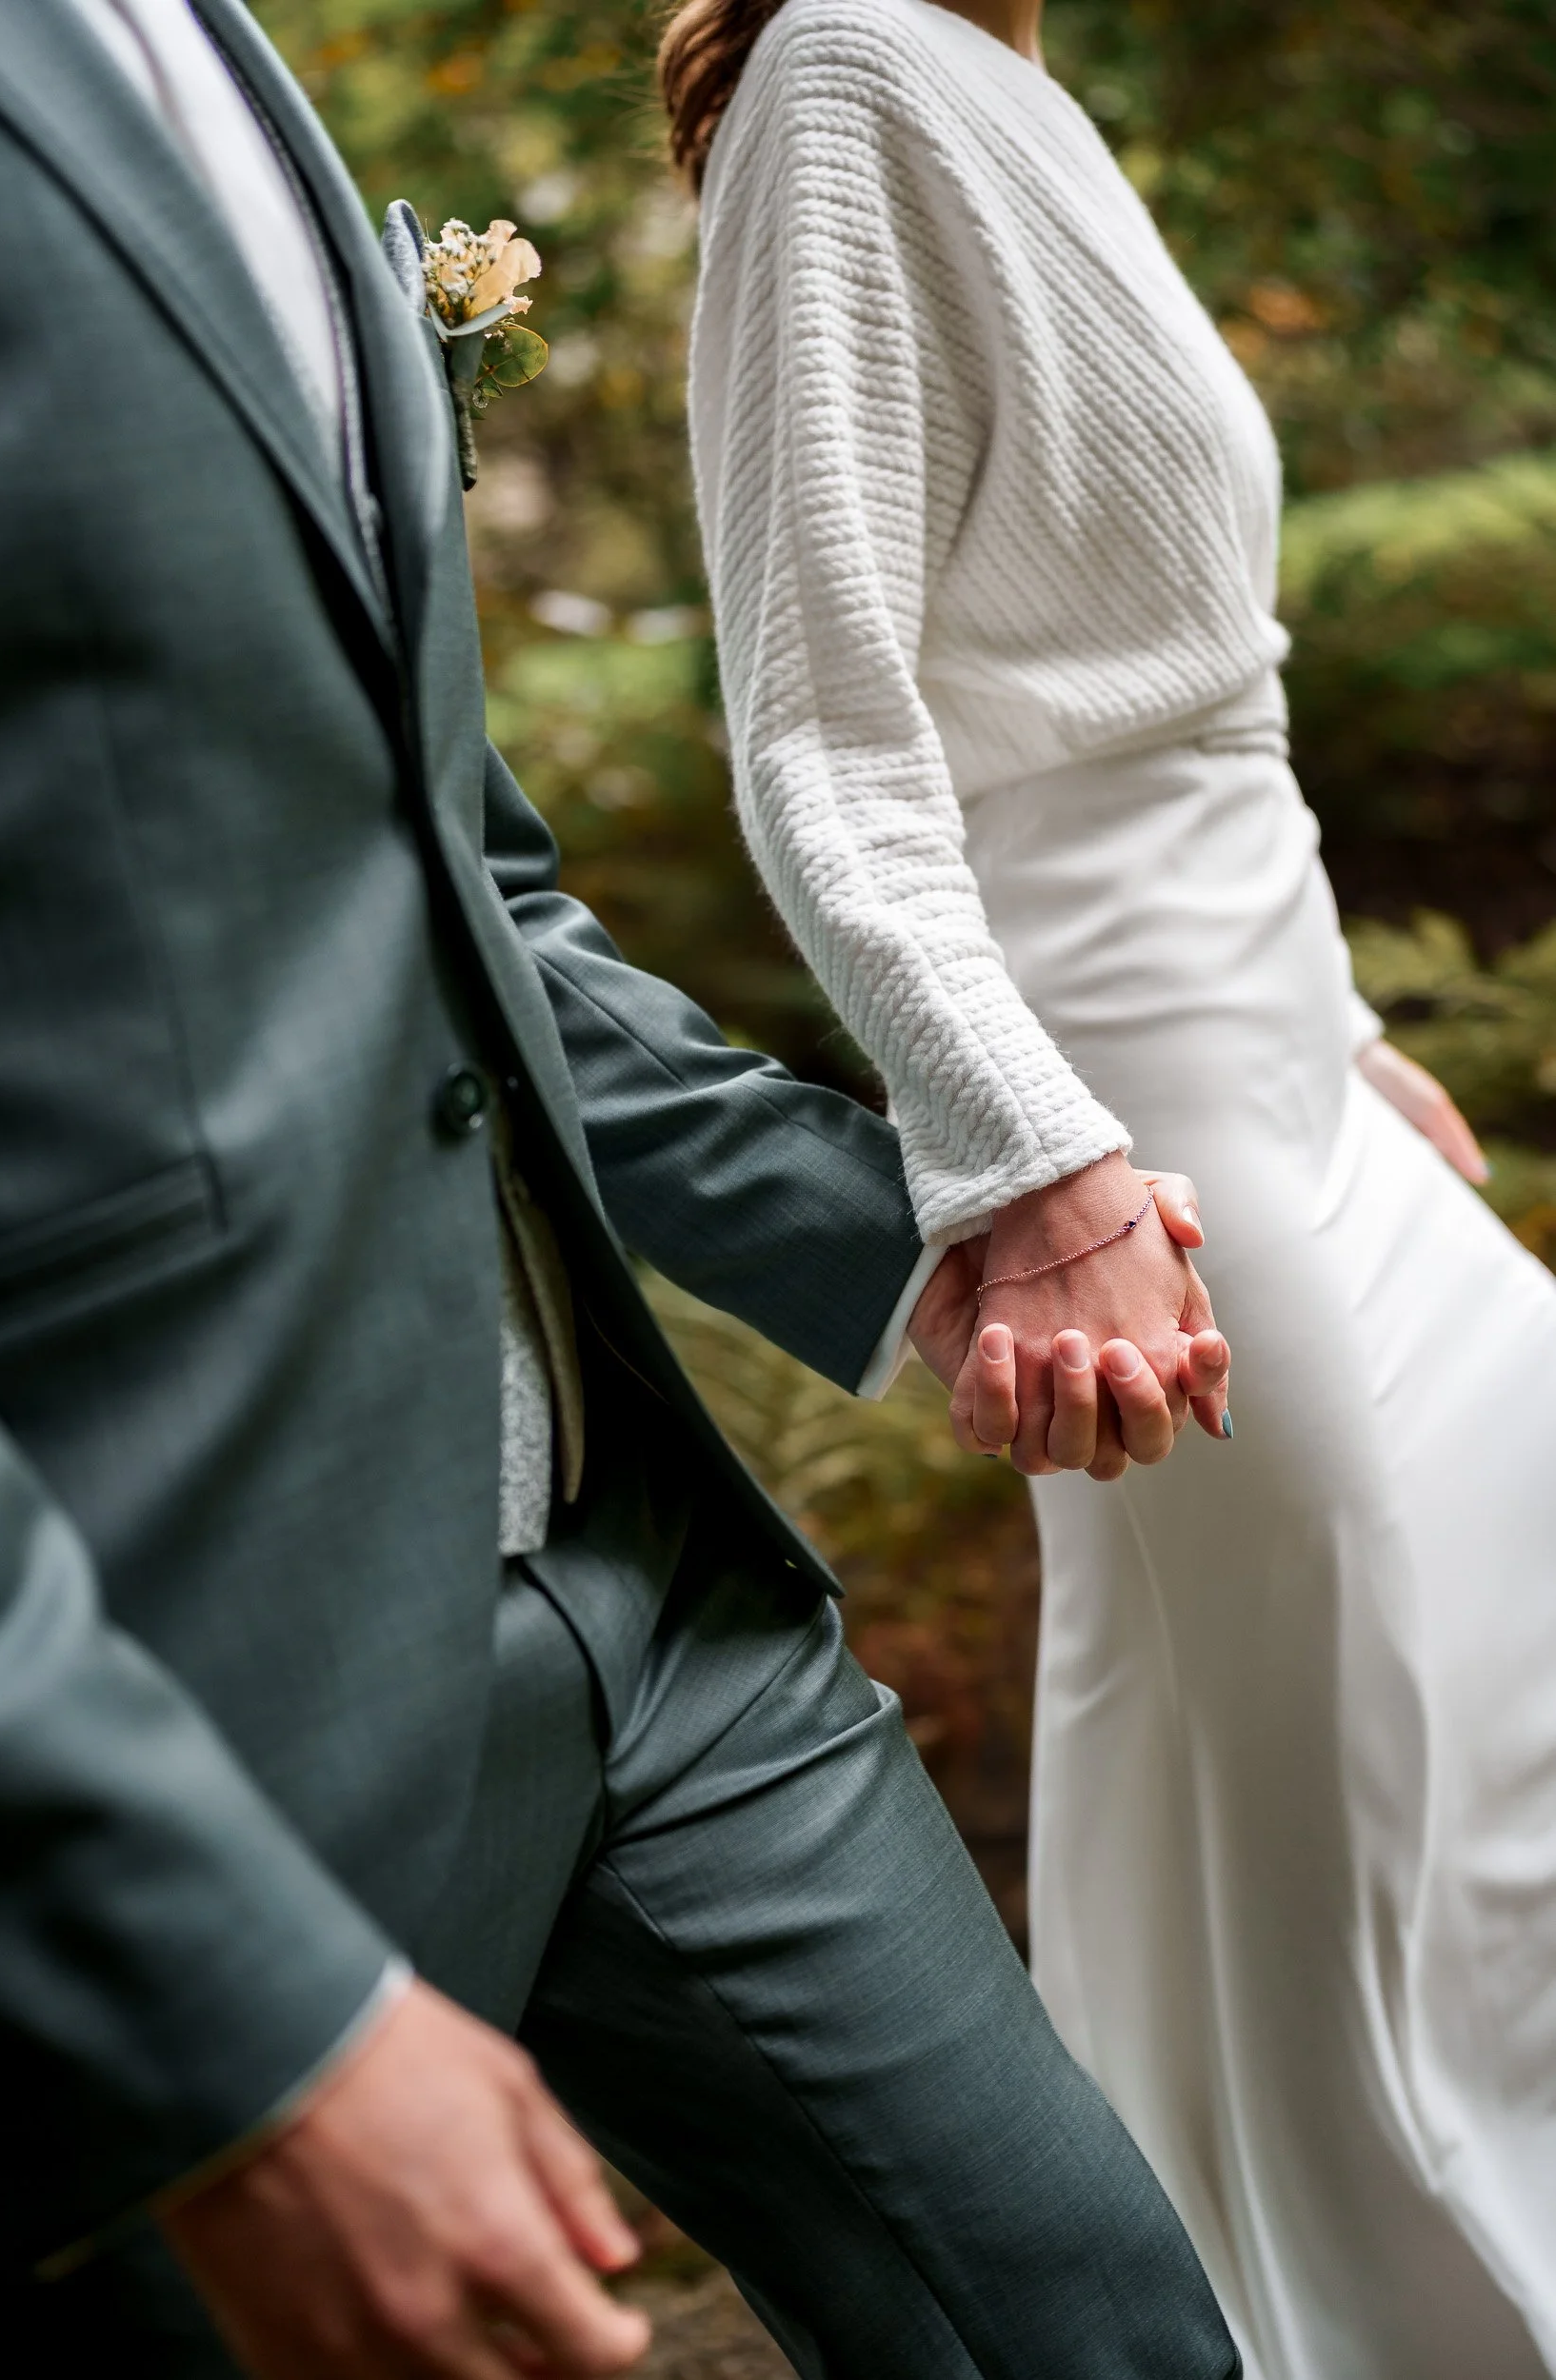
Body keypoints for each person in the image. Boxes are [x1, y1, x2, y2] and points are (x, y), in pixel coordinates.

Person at [0, 2, 1247, 2375]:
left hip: (657, 1606)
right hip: (190, 1696)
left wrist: (896, 1221)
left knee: (1098, 2322)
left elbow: (455, 897)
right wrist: (194, 1966)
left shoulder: (213, 59)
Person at [675, 0, 1556, 2374]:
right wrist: (1030, 1148)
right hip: (1123, 1105)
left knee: (1469, 1690)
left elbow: (1146, 675)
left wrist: (1342, 1023)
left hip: (1283, 1055)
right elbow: (827, 733)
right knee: (1330, 1775)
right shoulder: (844, 79)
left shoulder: (1013, 89)